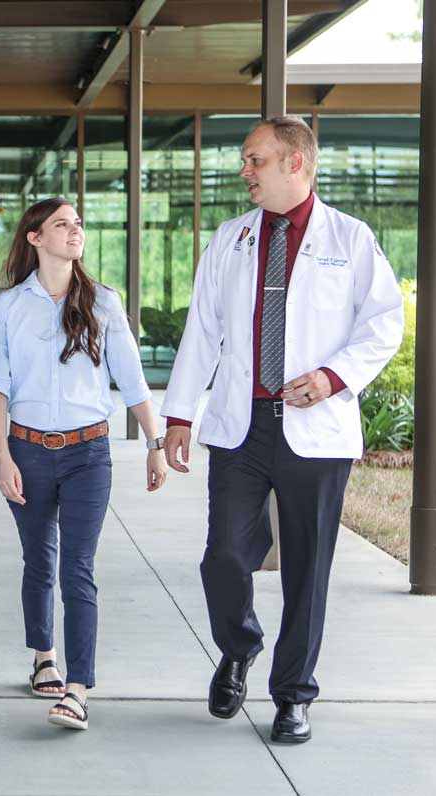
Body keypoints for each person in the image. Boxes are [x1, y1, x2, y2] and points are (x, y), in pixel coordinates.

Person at [162, 116, 403, 744]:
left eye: (255, 160)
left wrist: (333, 377)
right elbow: (203, 330)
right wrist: (181, 414)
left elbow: (383, 324)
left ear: (295, 164)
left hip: (314, 431)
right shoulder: (231, 238)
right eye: (246, 161)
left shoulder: (349, 239)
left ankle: (293, 695)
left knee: (307, 569)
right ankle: (239, 646)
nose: (245, 171)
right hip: (242, 429)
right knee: (223, 558)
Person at [0, 197, 167, 731]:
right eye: (62, 224)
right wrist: (1, 458)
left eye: (79, 224)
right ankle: (43, 654)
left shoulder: (104, 303)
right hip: (26, 450)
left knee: (78, 568)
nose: (75, 231)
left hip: (89, 453)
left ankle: (77, 688)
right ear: (35, 238)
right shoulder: (7, 307)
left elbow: (133, 382)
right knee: (39, 561)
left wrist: (155, 445)